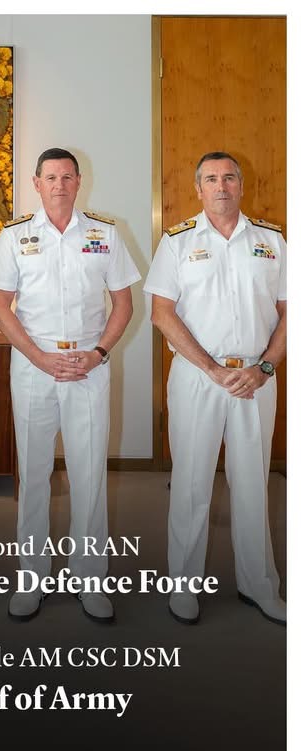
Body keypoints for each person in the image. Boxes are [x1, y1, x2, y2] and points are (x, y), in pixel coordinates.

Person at [0, 147, 141, 623]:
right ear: (37, 183)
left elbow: (124, 304)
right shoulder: (14, 236)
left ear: (78, 182)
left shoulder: (104, 234)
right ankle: (32, 577)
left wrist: (98, 353)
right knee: (33, 473)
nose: (59, 184)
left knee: (89, 474)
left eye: (67, 177)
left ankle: (89, 578)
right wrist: (39, 358)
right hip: (35, 366)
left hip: (88, 365)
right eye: (50, 177)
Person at [145, 151, 286, 625]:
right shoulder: (177, 242)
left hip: (255, 379)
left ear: (241, 185)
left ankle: (259, 586)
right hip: (196, 378)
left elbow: (290, 313)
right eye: (211, 179)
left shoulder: (272, 240)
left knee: (253, 484)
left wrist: (264, 367)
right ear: (198, 188)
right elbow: (161, 313)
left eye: (229, 178)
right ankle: (184, 587)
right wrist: (210, 368)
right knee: (191, 483)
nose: (221, 186)